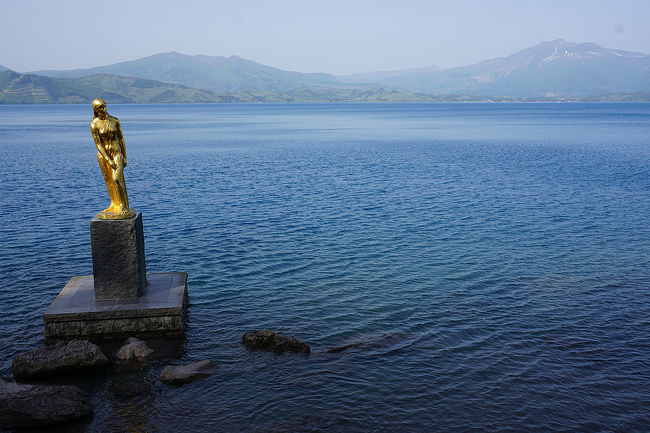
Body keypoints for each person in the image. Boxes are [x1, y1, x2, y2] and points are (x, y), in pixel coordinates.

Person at [91, 98, 136, 219]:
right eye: (101, 107)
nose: (104, 109)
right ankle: (114, 203)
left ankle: (123, 205)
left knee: (117, 178)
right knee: (108, 180)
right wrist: (108, 159)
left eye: (105, 106)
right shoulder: (94, 124)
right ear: (96, 109)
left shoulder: (115, 120)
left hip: (116, 152)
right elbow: (98, 144)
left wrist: (125, 156)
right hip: (103, 155)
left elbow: (121, 139)